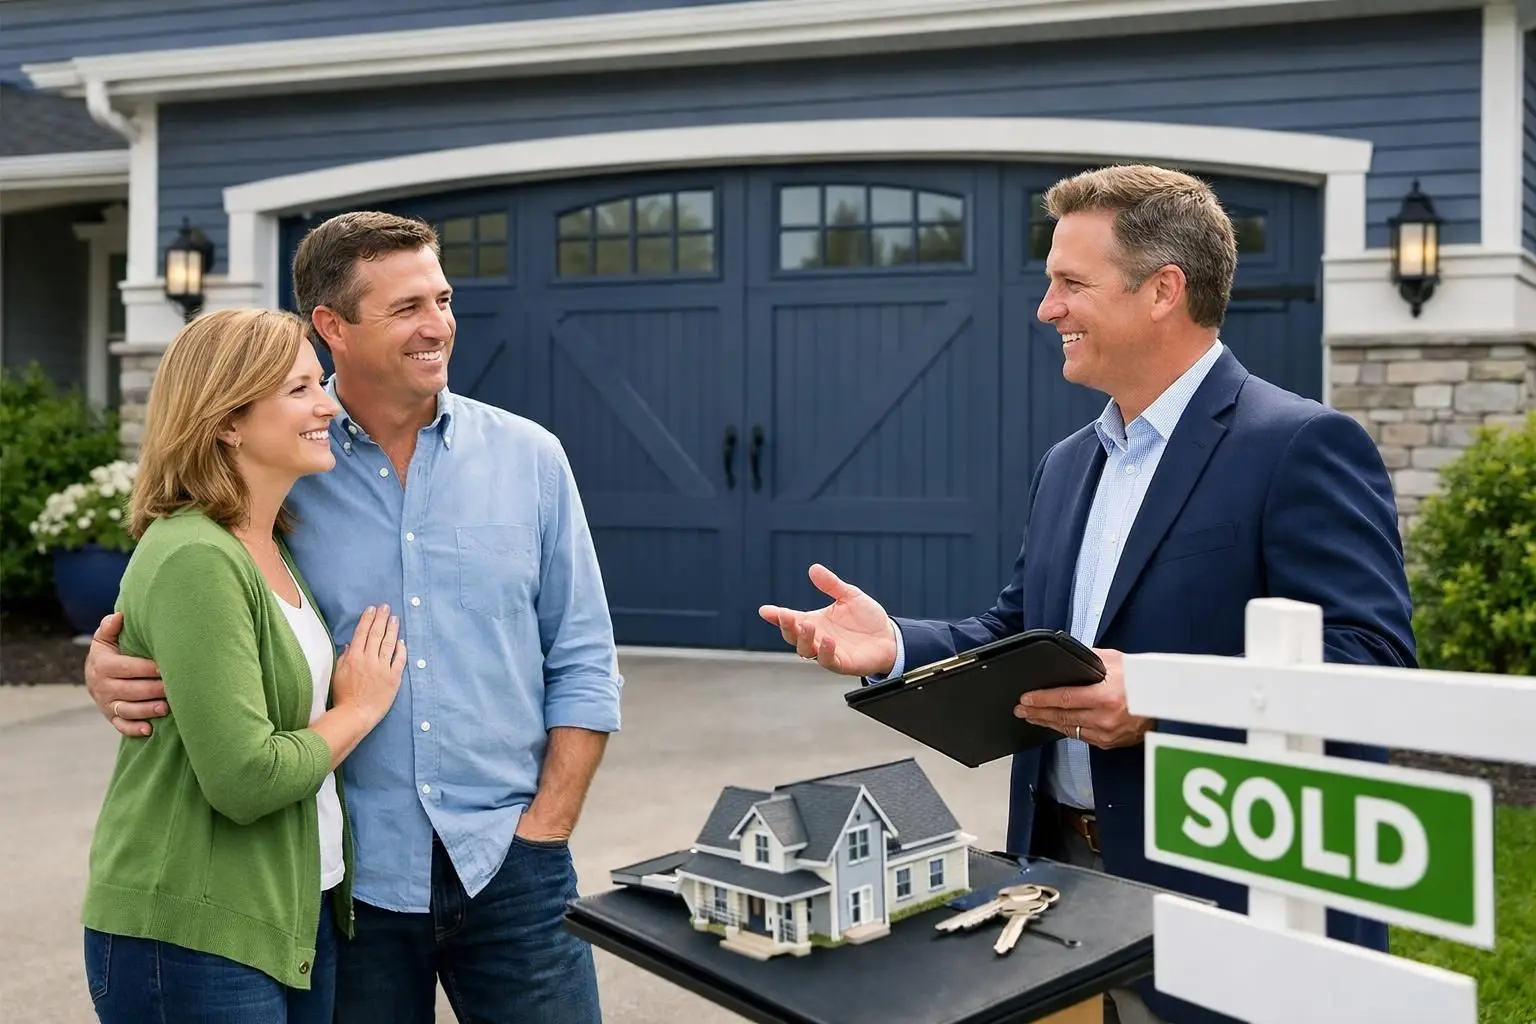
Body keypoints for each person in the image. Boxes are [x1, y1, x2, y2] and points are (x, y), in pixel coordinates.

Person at [758, 163, 1416, 1024]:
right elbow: (1021, 634)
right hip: (1059, 880)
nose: (1047, 308)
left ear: (1163, 291)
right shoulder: (1070, 463)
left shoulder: (1301, 444)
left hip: (1226, 892)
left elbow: (1371, 664)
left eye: (1071, 283)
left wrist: (1164, 697)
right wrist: (900, 647)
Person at [83, 212, 624, 1024]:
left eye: (441, 299)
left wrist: (547, 828)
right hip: (350, 888)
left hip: (511, 865)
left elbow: (584, 657)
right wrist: (111, 669)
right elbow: (189, 601)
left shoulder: (531, 459)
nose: (437, 325)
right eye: (407, 308)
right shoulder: (283, 461)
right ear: (331, 326)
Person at [80, 307, 405, 1023]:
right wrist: (361, 705)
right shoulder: (198, 554)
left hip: (288, 909)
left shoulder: (268, 545)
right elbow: (245, 778)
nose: (327, 404)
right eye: (299, 389)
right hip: (192, 929)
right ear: (227, 420)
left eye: (319, 382)